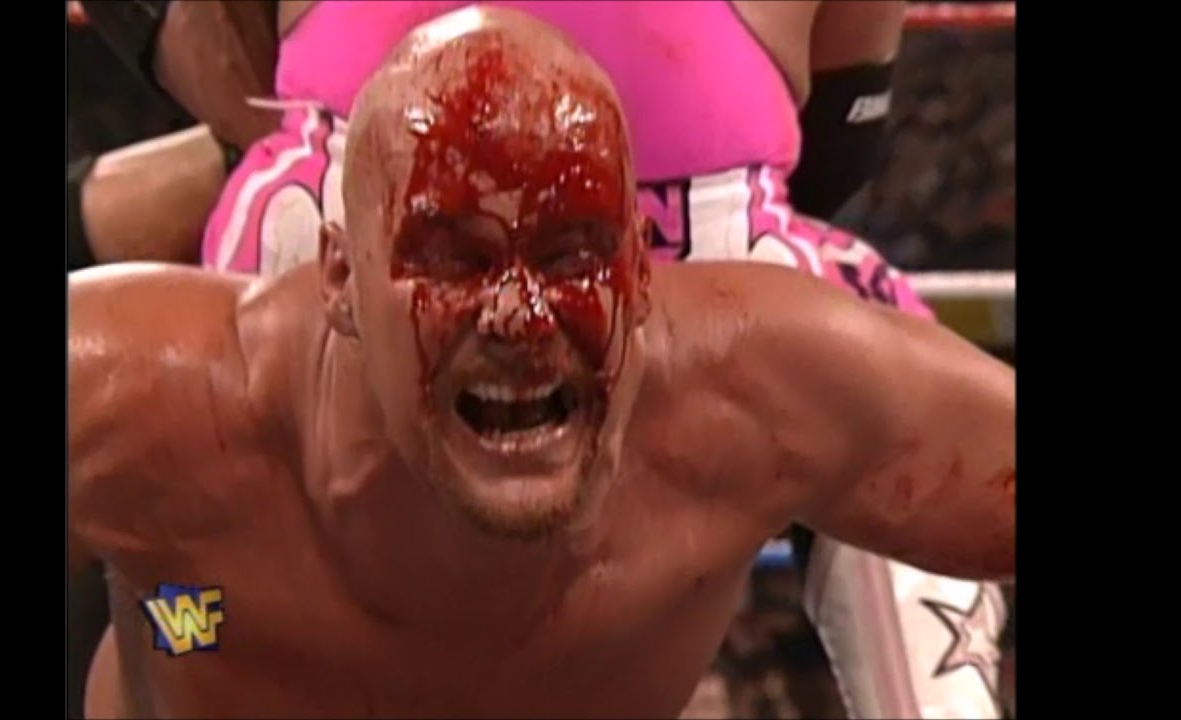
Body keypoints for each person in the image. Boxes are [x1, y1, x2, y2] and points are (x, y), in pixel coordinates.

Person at [67, 3, 1011, 717]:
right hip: (344, 190)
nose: (518, 316)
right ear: (340, 278)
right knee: (193, 611)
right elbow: (843, 132)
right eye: (458, 261)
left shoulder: (755, 382)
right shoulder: (162, 398)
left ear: (639, 274)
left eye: (566, 260)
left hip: (655, 223)